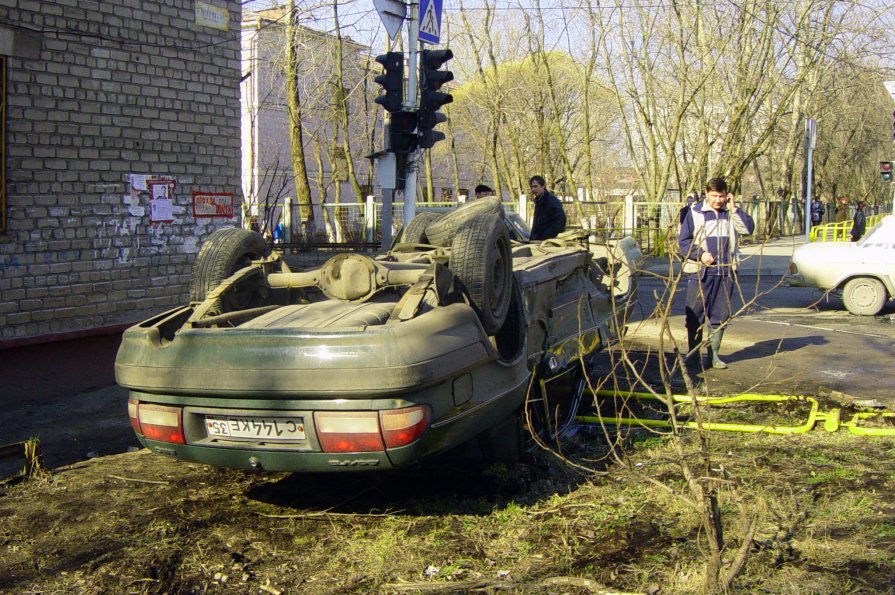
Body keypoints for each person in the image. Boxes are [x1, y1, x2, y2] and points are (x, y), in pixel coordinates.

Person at [678, 178, 755, 369]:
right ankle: (693, 355)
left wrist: (734, 209)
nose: (718, 200)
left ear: (727, 195)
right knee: (695, 315)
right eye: (714, 196)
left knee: (720, 315)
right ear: (706, 193)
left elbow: (748, 229)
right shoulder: (694, 212)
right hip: (700, 273)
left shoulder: (730, 213)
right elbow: (683, 242)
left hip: (725, 273)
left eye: (721, 196)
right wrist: (701, 255)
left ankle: (713, 356)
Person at [528, 175, 566, 241]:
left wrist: (546, 236)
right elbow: (536, 225)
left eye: (535, 186)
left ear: (543, 186)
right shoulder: (538, 201)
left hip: (548, 243)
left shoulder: (551, 201)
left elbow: (561, 220)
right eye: (531, 187)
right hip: (538, 242)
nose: (533, 189)